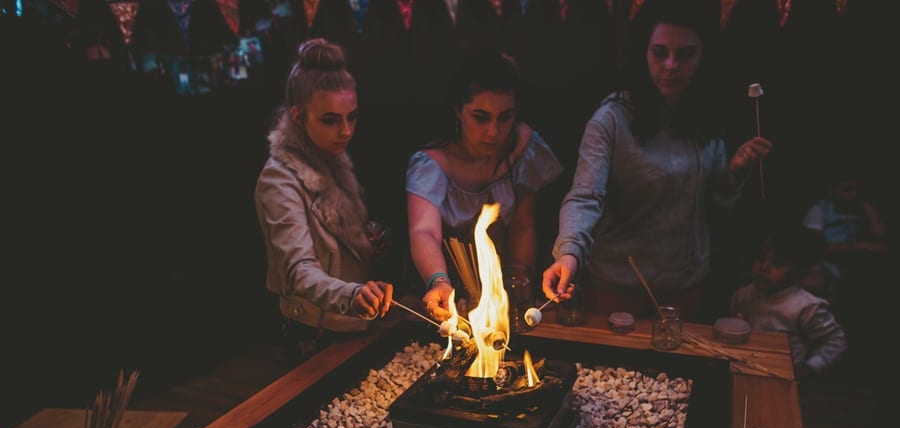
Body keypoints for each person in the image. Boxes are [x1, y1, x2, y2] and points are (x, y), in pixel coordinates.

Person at [541, 0, 773, 321]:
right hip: (618, 286)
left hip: (686, 284)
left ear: (703, 55)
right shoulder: (611, 119)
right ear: (643, 52)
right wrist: (569, 253)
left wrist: (734, 172)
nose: (671, 65)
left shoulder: (706, 115)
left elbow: (716, 203)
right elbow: (584, 197)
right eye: (660, 53)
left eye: (685, 54)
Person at [255, 38, 393, 362]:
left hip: (353, 324)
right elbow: (298, 271)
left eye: (352, 117)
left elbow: (335, 239)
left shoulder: (334, 159)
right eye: (330, 120)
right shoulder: (279, 179)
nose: (346, 131)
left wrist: (367, 239)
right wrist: (353, 294)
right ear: (299, 117)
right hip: (313, 334)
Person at [407, 48, 563, 322]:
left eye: (505, 118)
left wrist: (518, 286)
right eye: (481, 117)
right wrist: (439, 281)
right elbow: (424, 231)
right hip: (450, 302)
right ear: (458, 110)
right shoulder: (433, 163)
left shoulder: (521, 147)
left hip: (501, 297)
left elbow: (523, 225)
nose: (493, 132)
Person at [731, 223, 847, 379]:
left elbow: (836, 341)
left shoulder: (807, 306)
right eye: (760, 258)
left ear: (797, 273)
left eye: (778, 263)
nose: (764, 267)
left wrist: (810, 368)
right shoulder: (744, 295)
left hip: (786, 379)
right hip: (747, 370)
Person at [800, 168, 888, 314]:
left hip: (854, 267)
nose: (854, 194)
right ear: (832, 192)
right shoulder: (820, 209)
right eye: (847, 190)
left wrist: (868, 207)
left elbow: (880, 237)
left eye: (856, 189)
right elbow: (814, 250)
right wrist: (859, 246)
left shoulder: (860, 210)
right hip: (825, 266)